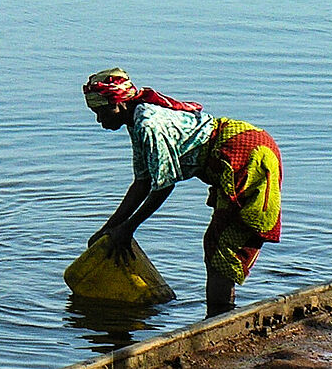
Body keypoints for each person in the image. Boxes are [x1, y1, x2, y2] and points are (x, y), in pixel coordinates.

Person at [82, 68, 282, 317]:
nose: (100, 121)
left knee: (223, 245)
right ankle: (218, 315)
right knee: (217, 244)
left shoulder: (148, 123)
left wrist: (127, 229)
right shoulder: (136, 121)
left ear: (119, 103)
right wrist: (109, 229)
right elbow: (142, 183)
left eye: (102, 112)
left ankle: (218, 321)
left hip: (244, 154)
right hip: (233, 153)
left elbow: (163, 186)